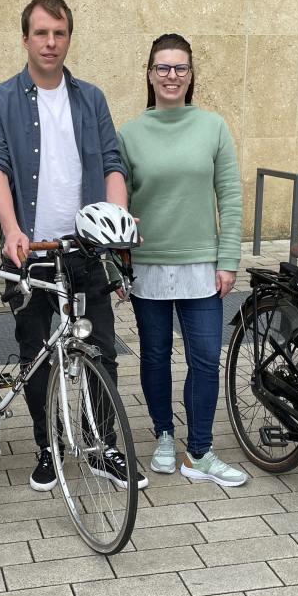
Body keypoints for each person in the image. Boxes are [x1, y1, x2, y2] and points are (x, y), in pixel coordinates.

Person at [0, 0, 147, 492]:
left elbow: (112, 162)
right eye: (41, 33)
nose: (51, 43)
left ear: (69, 37)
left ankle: (100, 447)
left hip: (84, 248)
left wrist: (114, 218)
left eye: (59, 33)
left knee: (100, 349)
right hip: (31, 251)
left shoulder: (90, 98)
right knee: (35, 352)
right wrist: (11, 229)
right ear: (25, 37)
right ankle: (47, 444)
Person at [117, 34, 247, 487]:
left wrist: (228, 259)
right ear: (149, 74)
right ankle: (165, 436)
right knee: (154, 356)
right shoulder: (129, 133)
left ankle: (200, 451)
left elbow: (230, 196)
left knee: (206, 358)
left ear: (191, 75)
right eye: (162, 68)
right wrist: (119, 263)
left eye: (180, 68)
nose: (171, 76)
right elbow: (119, 201)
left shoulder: (212, 127)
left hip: (202, 264)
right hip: (147, 263)